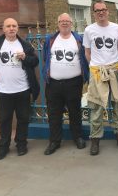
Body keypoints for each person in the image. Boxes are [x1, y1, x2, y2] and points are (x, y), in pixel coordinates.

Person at [0, 18, 39, 160]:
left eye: (14, 26)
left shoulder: (24, 44)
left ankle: (21, 144)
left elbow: (35, 61)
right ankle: (3, 147)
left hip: (23, 89)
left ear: (17, 29)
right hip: (4, 90)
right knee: (5, 119)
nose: (11, 28)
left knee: (23, 118)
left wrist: (25, 57)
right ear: (3, 29)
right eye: (8, 26)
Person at [83, 0, 118, 155]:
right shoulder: (89, 30)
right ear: (94, 13)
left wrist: (112, 65)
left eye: (103, 10)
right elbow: (87, 52)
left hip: (114, 70)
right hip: (97, 72)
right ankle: (95, 139)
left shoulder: (116, 29)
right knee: (96, 106)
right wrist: (96, 66)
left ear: (108, 11)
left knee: (117, 103)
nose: (101, 13)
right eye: (97, 10)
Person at [42, 13, 89, 155]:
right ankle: (54, 141)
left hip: (74, 83)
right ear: (58, 23)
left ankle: (78, 137)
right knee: (54, 113)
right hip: (54, 83)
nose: (64, 23)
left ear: (71, 23)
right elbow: (45, 57)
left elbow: (83, 58)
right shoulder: (50, 39)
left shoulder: (78, 39)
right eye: (61, 21)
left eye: (67, 21)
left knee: (75, 111)